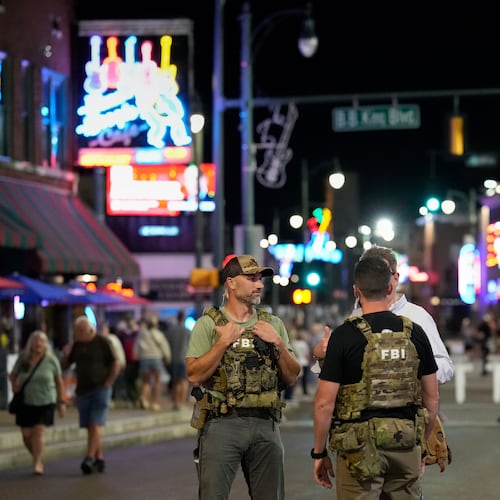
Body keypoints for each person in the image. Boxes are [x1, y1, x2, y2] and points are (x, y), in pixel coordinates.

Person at [313, 257, 439, 498]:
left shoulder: (343, 335)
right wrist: (420, 446)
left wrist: (319, 453)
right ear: (390, 288)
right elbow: (432, 399)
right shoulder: (415, 332)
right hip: (405, 442)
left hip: (358, 449)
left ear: (356, 290)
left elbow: (324, 403)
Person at [186, 254, 301, 500]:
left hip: (265, 424)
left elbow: (292, 376)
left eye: (260, 278)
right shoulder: (208, 324)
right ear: (231, 283)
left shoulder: (273, 324)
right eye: (251, 278)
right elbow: (194, 375)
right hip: (222, 423)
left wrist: (277, 342)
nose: (259, 284)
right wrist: (223, 342)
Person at [312, 245, 454, 386]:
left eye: (382, 273)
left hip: (407, 406)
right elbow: (334, 379)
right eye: (371, 274)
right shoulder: (352, 320)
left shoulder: (417, 316)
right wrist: (323, 357)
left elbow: (445, 368)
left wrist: (409, 368)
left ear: (396, 278)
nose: (377, 279)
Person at [61, 315, 121, 475]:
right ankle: (99, 457)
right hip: (83, 389)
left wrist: (109, 382)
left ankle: (89, 458)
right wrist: (65, 354)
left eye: (81, 330)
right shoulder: (77, 345)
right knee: (89, 426)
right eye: (76, 331)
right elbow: (66, 364)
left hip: (100, 388)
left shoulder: (102, 342)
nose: (78, 333)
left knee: (95, 423)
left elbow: (115, 363)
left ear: (90, 329)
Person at [8, 330, 66, 475]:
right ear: (30, 344)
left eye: (41, 341)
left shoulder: (51, 360)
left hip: (46, 400)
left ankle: (37, 462)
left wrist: (61, 402)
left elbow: (59, 382)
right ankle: (36, 456)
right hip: (25, 401)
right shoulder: (23, 359)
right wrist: (14, 386)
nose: (38, 344)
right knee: (26, 435)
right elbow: (13, 375)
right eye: (35, 341)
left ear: (46, 344)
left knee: (38, 432)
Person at [134, 317, 172, 411]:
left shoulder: (142, 334)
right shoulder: (159, 334)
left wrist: (137, 356)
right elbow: (164, 347)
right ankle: (154, 402)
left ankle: (144, 398)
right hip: (156, 358)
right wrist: (167, 358)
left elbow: (136, 348)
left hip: (145, 359)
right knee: (157, 381)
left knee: (146, 381)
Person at [165, 310, 191, 410]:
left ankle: (175, 402)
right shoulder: (188, 332)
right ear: (184, 318)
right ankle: (181, 402)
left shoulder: (171, 331)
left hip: (173, 359)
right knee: (184, 381)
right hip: (184, 359)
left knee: (175, 381)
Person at [101, 322, 126, 403]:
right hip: (118, 363)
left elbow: (114, 353)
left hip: (116, 364)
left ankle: (111, 399)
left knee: (112, 381)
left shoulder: (110, 339)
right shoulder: (111, 338)